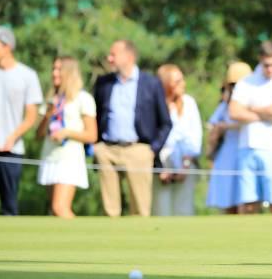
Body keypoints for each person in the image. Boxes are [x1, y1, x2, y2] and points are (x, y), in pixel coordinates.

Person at [93, 40, 172, 217]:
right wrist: (97, 147)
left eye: (113, 54)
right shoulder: (103, 83)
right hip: (107, 150)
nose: (109, 58)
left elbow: (166, 122)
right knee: (110, 210)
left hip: (139, 150)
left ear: (129, 56)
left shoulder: (151, 83)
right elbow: (96, 116)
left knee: (140, 209)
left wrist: (152, 150)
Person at [229, 41, 272, 216]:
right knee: (248, 205)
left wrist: (250, 108)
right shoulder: (246, 81)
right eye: (267, 65)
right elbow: (234, 112)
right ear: (260, 59)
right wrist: (264, 112)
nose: (270, 69)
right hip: (247, 148)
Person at [35, 57, 97, 218]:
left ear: (69, 72)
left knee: (60, 208)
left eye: (58, 69)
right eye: (53, 69)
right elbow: (38, 135)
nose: (54, 73)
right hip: (50, 157)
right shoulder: (51, 99)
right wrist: (48, 114)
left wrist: (67, 133)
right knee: (55, 211)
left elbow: (92, 135)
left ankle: (84, 240)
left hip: (69, 159)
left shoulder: (83, 99)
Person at [0, 26, 43, 216]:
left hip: (11, 150)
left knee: (9, 205)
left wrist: (11, 137)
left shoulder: (27, 76)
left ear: (7, 46)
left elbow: (31, 116)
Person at [152, 64, 202, 216]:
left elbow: (195, 138)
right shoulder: (155, 104)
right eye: (177, 81)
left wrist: (185, 165)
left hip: (186, 160)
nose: (183, 84)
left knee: (184, 209)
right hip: (161, 161)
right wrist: (159, 167)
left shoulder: (189, 103)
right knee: (162, 209)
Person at [206, 62, 252, 214]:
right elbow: (213, 126)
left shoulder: (254, 103)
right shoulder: (224, 106)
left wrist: (226, 126)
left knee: (247, 200)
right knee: (227, 199)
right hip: (227, 154)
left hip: (247, 152)